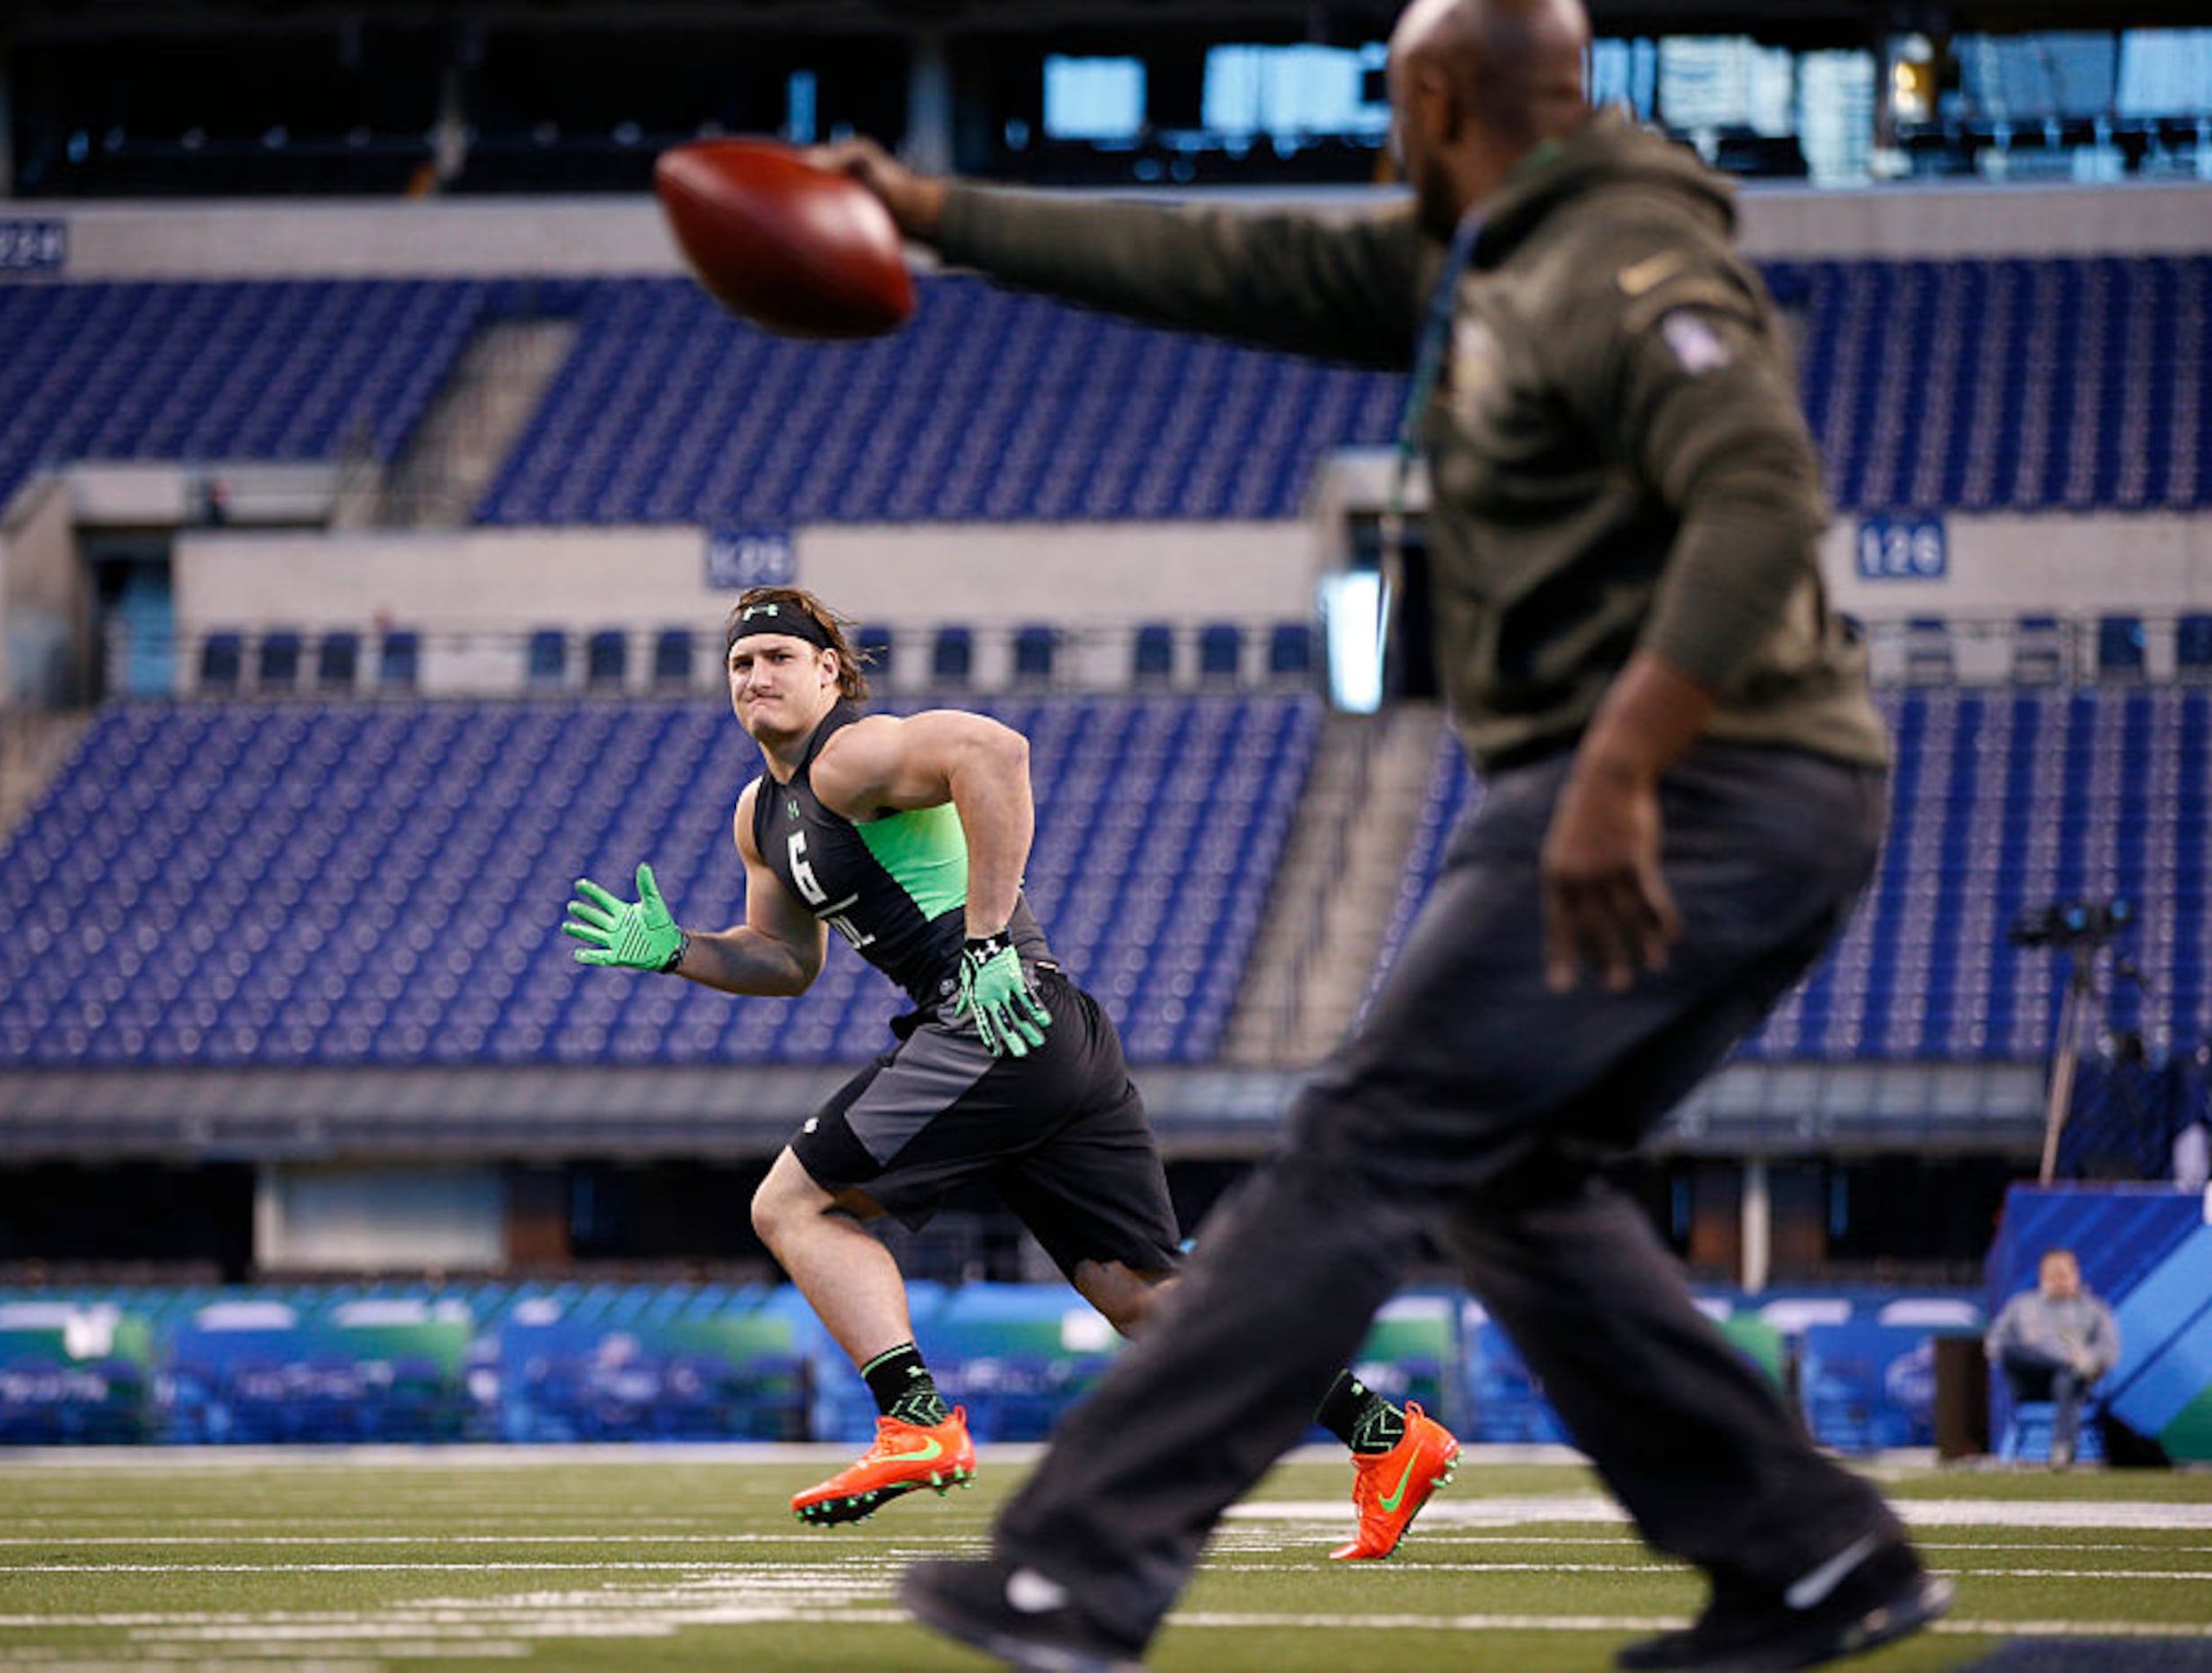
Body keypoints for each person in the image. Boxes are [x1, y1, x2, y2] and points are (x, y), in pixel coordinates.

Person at [811, 0, 1955, 1667]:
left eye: (1383, 103)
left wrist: (1622, 771)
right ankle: (1809, 1557)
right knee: (1504, 1177)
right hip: (1681, 789)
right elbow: (1212, 259)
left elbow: (1762, 494)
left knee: (1362, 1138)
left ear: (1431, 96)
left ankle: (1080, 1563)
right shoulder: (1479, 269)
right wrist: (931, 212)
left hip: (1686, 783)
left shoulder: (1624, 255)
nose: (1375, 137)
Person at [563, 585, 1457, 1546]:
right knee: (1144, 1295)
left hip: (993, 1018)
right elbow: (783, 962)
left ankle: (912, 1420)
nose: (756, 677)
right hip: (1041, 1033)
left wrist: (985, 940)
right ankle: (1381, 1432)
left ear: (829, 671)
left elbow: (994, 750)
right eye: (741, 664)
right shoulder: (760, 813)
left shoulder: (849, 754)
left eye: (779, 657)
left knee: (792, 1206)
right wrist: (678, 950)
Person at [1986, 1247, 2119, 1470]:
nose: (2058, 1281)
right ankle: (2062, 1364)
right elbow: (1995, 1344)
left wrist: (2088, 1357)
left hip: (2073, 1380)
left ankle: (2062, 1448)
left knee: (2066, 1376)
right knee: (2013, 1348)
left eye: (2063, 1274)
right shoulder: (2022, 1305)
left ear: (2075, 1274)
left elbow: (2109, 1350)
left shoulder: (2094, 1309)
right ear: (2042, 1276)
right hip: (2030, 1379)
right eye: (2052, 1275)